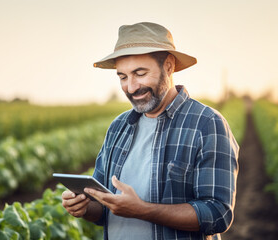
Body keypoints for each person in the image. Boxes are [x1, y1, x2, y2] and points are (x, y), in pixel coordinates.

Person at [61, 22, 239, 240]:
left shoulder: (207, 123)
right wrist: (84, 207)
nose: (131, 87)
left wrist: (143, 210)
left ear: (169, 66)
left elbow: (218, 214)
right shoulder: (118, 127)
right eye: (123, 77)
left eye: (140, 73)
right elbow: (103, 209)